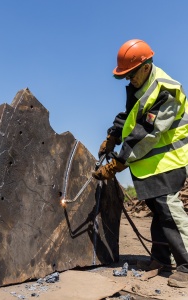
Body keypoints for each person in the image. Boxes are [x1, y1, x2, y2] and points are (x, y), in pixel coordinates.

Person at [92, 39, 188, 288]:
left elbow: (147, 131)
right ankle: (160, 261)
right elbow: (130, 116)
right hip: (153, 163)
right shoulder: (142, 87)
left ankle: (187, 266)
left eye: (131, 74)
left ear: (145, 67)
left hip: (169, 160)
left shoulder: (166, 90)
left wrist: (118, 162)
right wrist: (112, 135)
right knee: (158, 212)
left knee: (169, 212)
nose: (129, 80)